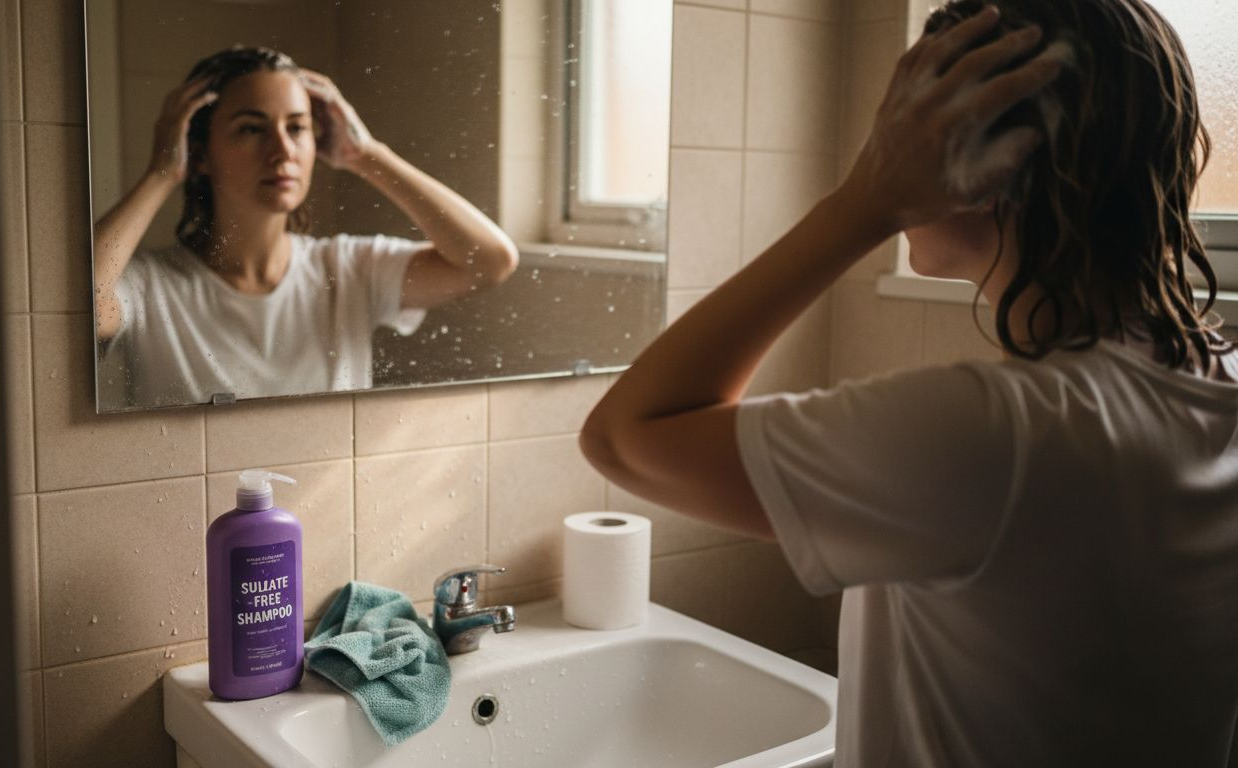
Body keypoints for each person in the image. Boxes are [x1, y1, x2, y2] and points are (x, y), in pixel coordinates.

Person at [581, 1, 1238, 765]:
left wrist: (866, 203)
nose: (885, 149)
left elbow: (624, 436)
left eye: (906, 129)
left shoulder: (1001, 434)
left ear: (982, 161)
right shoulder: (1215, 382)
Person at [93, 46, 517, 406]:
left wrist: (366, 155)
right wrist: (161, 173)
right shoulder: (149, 287)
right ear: (198, 152)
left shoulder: (348, 267)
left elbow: (492, 261)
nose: (282, 151)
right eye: (251, 128)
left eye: (297, 127)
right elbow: (70, 312)